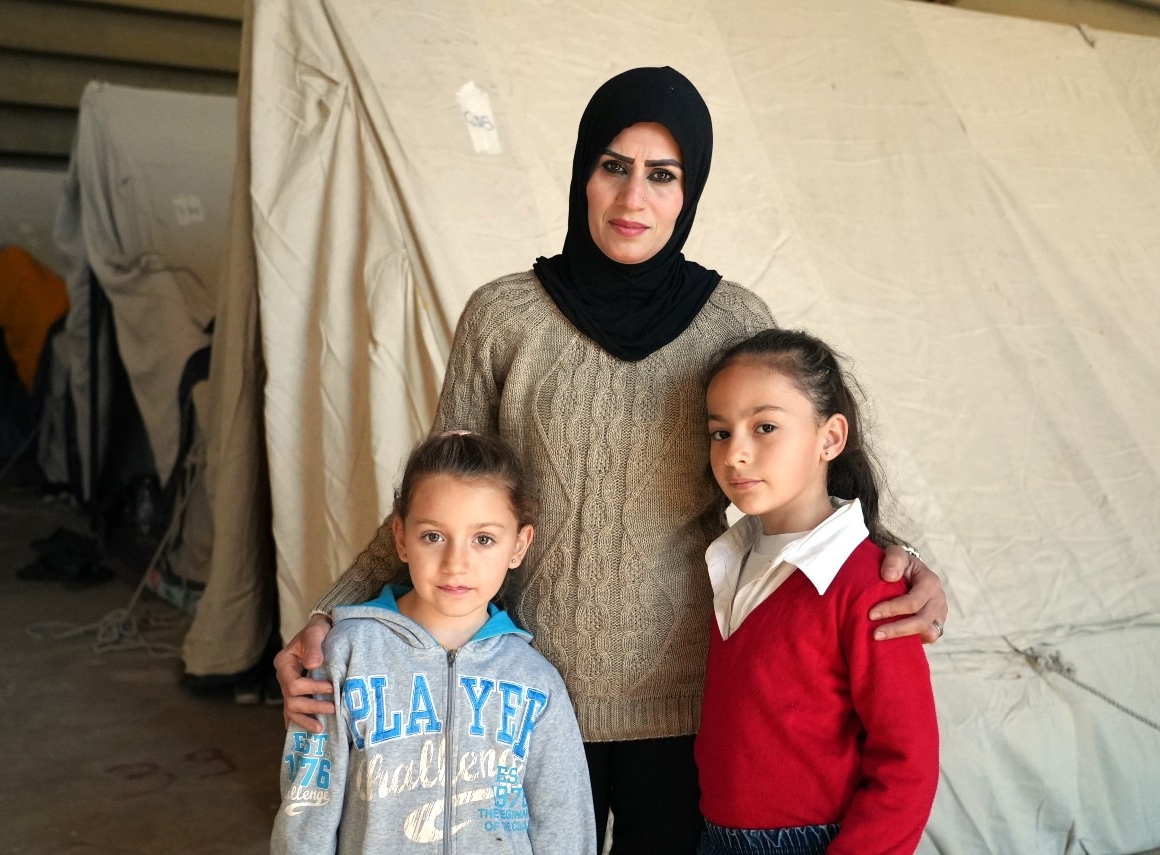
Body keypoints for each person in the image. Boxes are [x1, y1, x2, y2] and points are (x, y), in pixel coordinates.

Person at [277, 66, 949, 854]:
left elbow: (792, 465)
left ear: (689, 191)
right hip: (517, 688)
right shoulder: (503, 317)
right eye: (613, 167)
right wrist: (329, 613)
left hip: (689, 709)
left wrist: (897, 560)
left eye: (663, 175)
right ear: (581, 175)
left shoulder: (730, 321)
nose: (634, 199)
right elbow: (444, 504)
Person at [270, 431, 595, 854]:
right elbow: (307, 806)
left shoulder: (536, 681)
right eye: (433, 536)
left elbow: (564, 822)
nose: (455, 563)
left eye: (484, 539)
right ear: (401, 538)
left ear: (519, 545)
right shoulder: (347, 655)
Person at [695, 328, 938, 855]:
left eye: (764, 427)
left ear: (829, 438)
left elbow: (908, 763)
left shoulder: (872, 586)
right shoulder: (724, 561)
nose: (736, 454)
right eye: (720, 432)